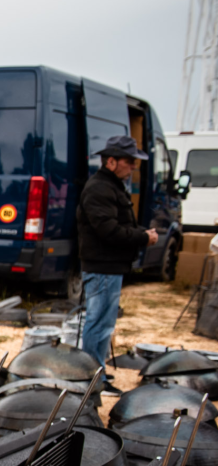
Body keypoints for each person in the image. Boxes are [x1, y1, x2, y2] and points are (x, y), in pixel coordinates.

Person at [77, 135, 158, 396]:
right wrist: (143, 237)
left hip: (109, 266)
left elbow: (116, 224)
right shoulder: (100, 188)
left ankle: (95, 375)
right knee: (98, 324)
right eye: (129, 161)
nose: (133, 166)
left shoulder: (110, 186)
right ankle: (91, 380)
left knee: (103, 326)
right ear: (111, 161)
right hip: (102, 267)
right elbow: (107, 230)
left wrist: (140, 233)